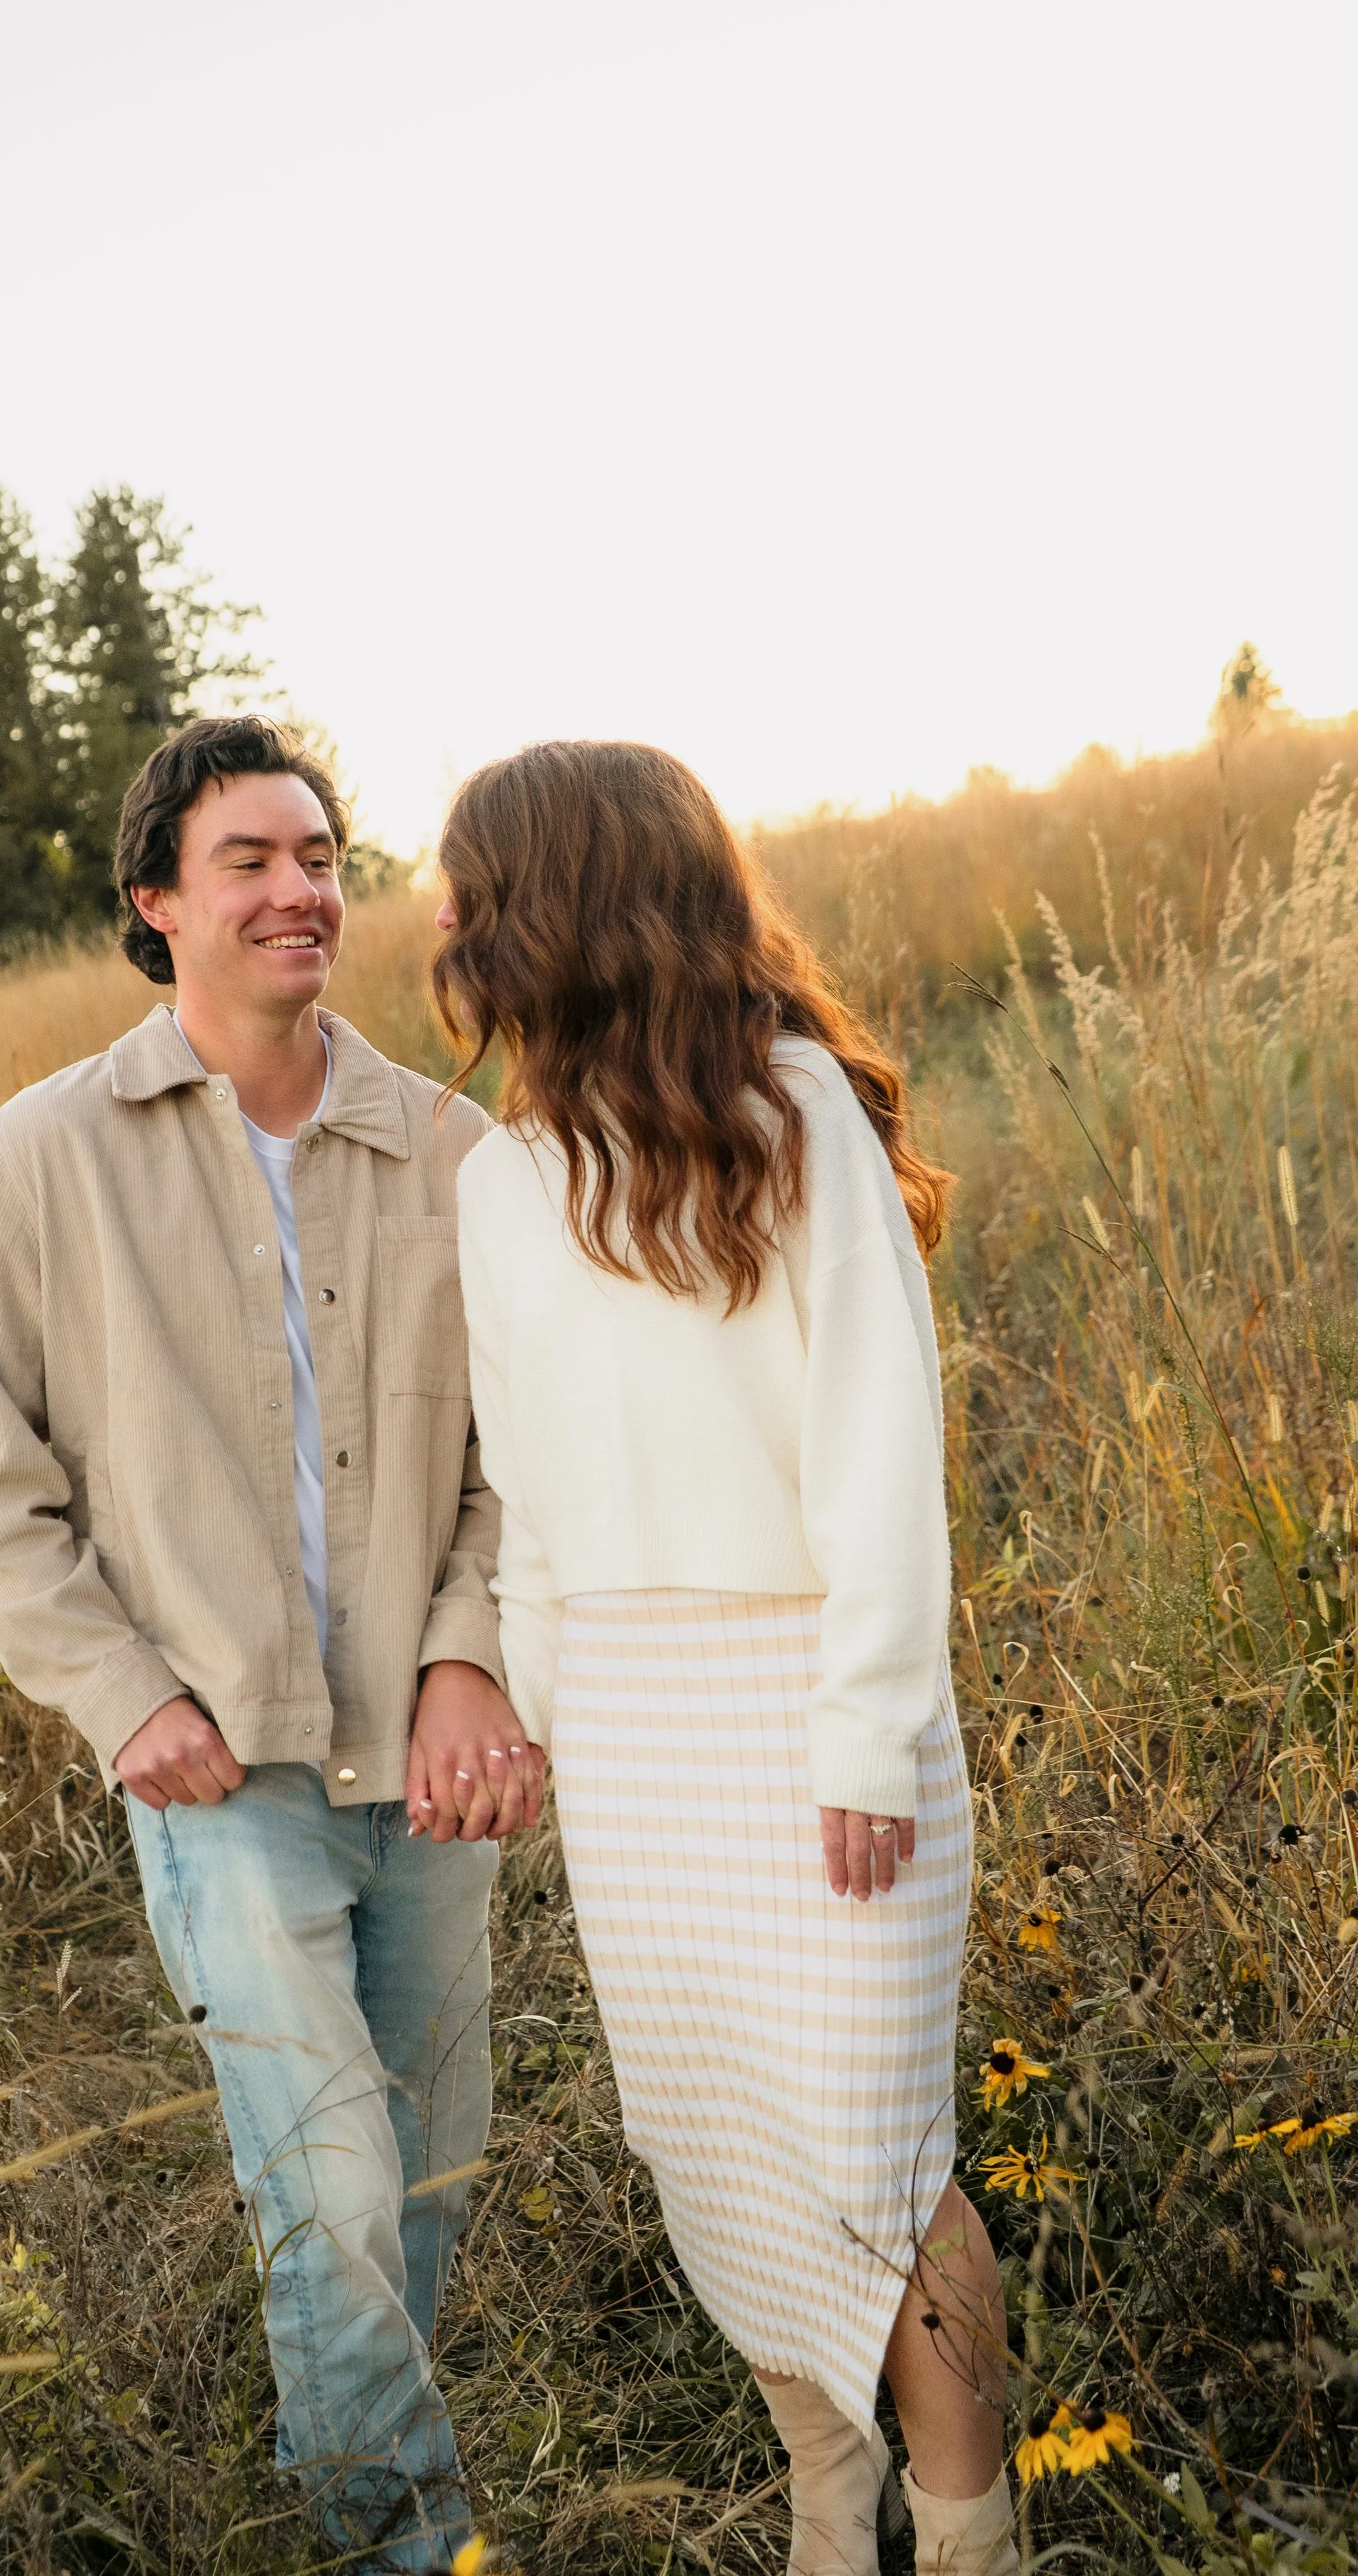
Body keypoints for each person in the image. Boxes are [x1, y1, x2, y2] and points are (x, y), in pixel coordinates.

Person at [0, 713, 540, 2573]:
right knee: (328, 2169)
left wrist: (471, 1654)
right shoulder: (46, 1159)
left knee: (419, 2172)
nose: (300, 889)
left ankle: (337, 2458)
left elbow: (528, 1460)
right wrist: (125, 1694)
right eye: (251, 859)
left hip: (430, 1772)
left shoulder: (453, 1148)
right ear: (155, 904)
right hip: (221, 1777)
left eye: (320, 853)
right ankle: (404, 2543)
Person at [432, 740, 1014, 2576]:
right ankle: (824, 2511)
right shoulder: (500, 1174)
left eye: (470, 886)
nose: (438, 923)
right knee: (718, 2158)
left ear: (564, 898)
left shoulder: (789, 1116)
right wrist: (537, 1720)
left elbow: (874, 1453)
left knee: (875, 2174)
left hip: (812, 1712)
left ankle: (970, 2536)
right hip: (627, 1738)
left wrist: (860, 1738)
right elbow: (520, 1478)